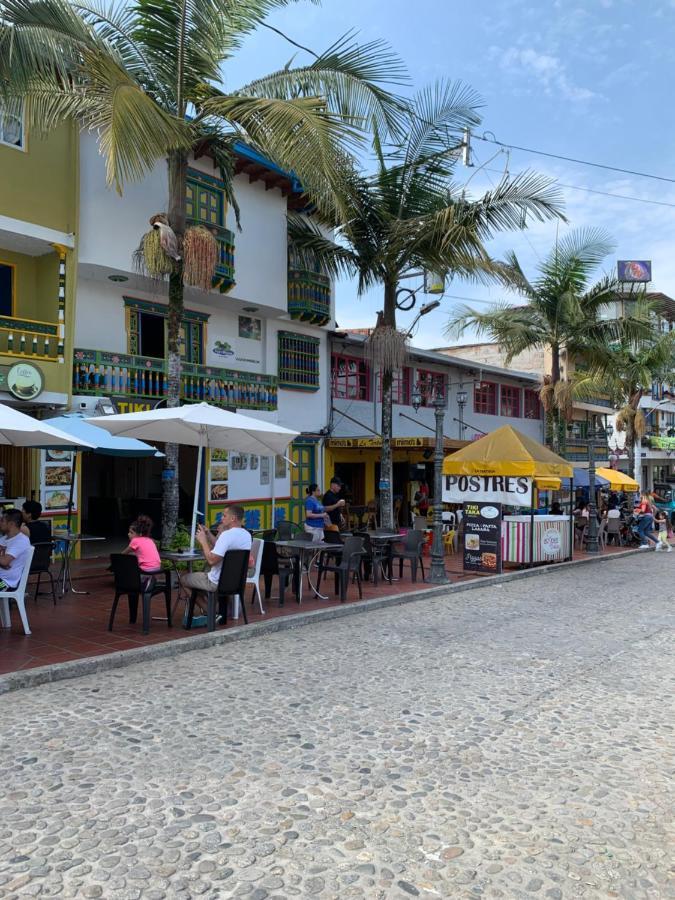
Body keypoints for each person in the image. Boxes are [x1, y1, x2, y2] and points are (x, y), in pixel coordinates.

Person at [183, 504, 252, 600]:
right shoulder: (247, 535)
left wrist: (203, 541)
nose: (221, 518)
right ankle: (215, 609)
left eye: (224, 516)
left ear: (233, 518)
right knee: (202, 573)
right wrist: (208, 534)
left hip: (216, 582)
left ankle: (209, 611)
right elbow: (221, 546)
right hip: (236, 581)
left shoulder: (226, 535)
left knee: (183, 580)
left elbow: (212, 561)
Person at [0, 508, 32, 591]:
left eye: (2, 521)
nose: (0, 523)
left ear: (11, 524)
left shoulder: (21, 541)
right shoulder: (3, 539)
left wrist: (2, 562)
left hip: (6, 583)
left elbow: (4, 561)